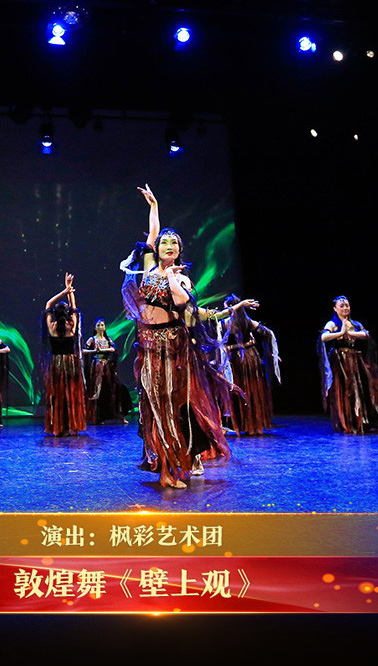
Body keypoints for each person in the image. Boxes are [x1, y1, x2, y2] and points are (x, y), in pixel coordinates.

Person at [120, 184, 254, 488]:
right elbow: (152, 236)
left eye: (175, 243)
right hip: (149, 348)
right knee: (155, 409)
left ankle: (179, 462)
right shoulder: (148, 266)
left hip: (174, 348)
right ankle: (164, 467)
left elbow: (185, 305)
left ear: (180, 251)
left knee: (176, 407)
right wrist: (154, 207)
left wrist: (171, 277)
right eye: (164, 242)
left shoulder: (181, 278)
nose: (168, 245)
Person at [319, 295, 378, 434]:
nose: (345, 308)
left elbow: (366, 334)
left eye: (347, 305)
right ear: (335, 309)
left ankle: (366, 421)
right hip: (341, 361)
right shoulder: (332, 324)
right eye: (342, 306)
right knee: (347, 391)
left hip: (357, 360)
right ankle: (349, 422)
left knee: (368, 388)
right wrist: (341, 332)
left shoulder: (356, 324)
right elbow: (324, 337)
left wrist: (351, 333)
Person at [222, 293, 279, 435]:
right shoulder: (247, 321)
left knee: (240, 390)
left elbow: (221, 344)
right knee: (252, 390)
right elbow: (268, 334)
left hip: (236, 360)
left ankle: (241, 426)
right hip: (251, 357)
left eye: (225, 307)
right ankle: (252, 426)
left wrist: (231, 348)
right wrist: (270, 352)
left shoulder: (226, 323)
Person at [42, 274, 87, 435]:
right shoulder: (71, 325)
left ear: (54, 313)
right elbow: (74, 308)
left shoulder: (52, 327)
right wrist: (69, 291)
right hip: (70, 363)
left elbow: (48, 304)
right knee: (71, 393)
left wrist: (64, 291)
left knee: (58, 394)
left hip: (56, 363)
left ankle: (58, 427)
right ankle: (72, 426)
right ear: (67, 313)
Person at [83, 318, 131, 424]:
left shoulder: (108, 339)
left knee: (119, 388)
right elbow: (83, 350)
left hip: (108, 367)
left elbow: (113, 349)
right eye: (98, 325)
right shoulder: (92, 339)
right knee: (99, 391)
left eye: (102, 325)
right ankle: (99, 417)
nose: (101, 327)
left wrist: (102, 350)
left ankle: (121, 415)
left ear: (105, 327)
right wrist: (94, 351)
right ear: (95, 328)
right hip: (97, 367)